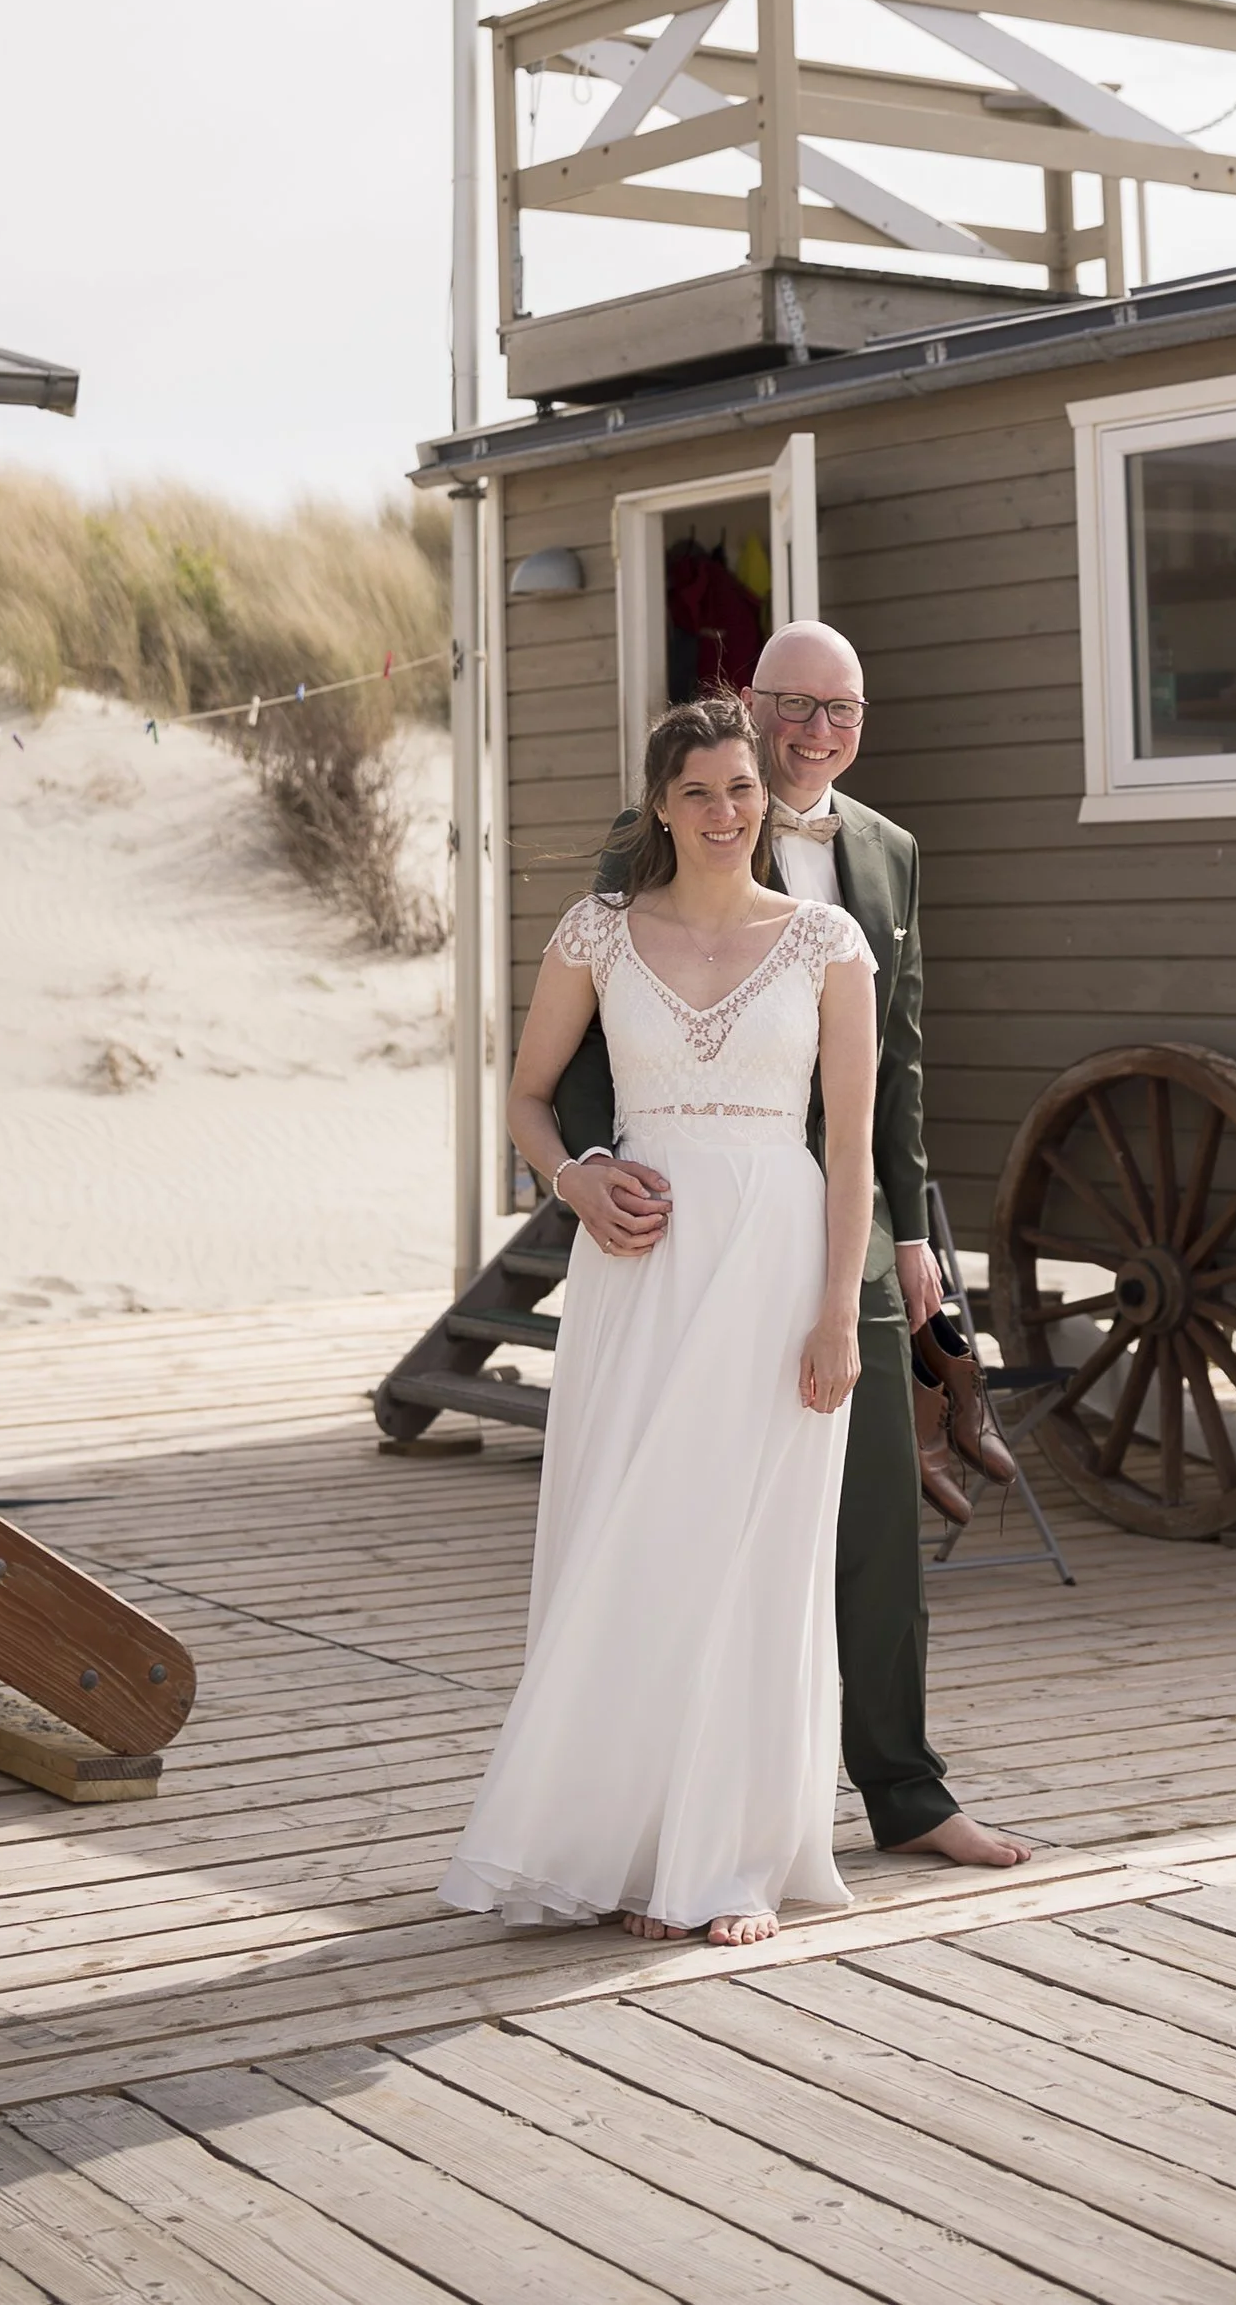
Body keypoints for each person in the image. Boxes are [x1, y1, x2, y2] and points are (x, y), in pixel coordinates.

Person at [552, 618, 1033, 1872]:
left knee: (874, 1516)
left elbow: (901, 1061)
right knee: (690, 1516)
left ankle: (907, 1793)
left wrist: (912, 1231)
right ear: (750, 705)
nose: (817, 732)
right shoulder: (674, 825)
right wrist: (593, 1171)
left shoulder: (889, 853)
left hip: (842, 1227)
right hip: (684, 1223)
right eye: (795, 705)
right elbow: (593, 1034)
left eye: (843, 709)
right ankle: (673, 1809)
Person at [438, 694, 877, 1944]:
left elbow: (849, 1150)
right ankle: (624, 1854)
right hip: (639, 1270)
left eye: (742, 787)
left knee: (754, 1552)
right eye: (698, 792)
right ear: (660, 807)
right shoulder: (596, 932)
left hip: (779, 1266)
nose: (726, 811)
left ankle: (725, 1861)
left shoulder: (827, 942)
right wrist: (574, 1178)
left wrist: (837, 1315)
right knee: (629, 1538)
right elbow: (528, 1096)